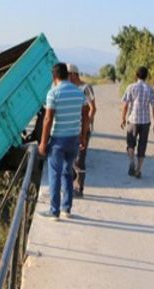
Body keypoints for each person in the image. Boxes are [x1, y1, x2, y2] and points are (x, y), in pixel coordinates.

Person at [37, 63, 88, 220]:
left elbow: (48, 119)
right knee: (67, 173)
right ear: (67, 75)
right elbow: (86, 116)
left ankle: (54, 211)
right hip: (73, 140)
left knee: (55, 174)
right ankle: (66, 209)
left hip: (58, 141)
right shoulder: (79, 93)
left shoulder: (53, 93)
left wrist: (43, 143)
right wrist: (83, 136)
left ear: (54, 77)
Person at [121, 66, 154, 179]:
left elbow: (125, 105)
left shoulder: (131, 87)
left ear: (136, 75)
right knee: (142, 146)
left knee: (130, 144)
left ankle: (132, 161)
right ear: (146, 76)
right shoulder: (150, 89)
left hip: (132, 120)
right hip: (145, 122)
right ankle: (138, 170)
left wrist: (123, 118)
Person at [67, 64, 96, 198]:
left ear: (73, 74)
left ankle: (80, 188)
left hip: (82, 128)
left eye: (67, 75)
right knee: (71, 158)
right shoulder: (71, 88)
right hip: (72, 128)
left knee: (80, 159)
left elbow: (92, 108)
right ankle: (71, 185)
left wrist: (86, 125)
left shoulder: (85, 88)